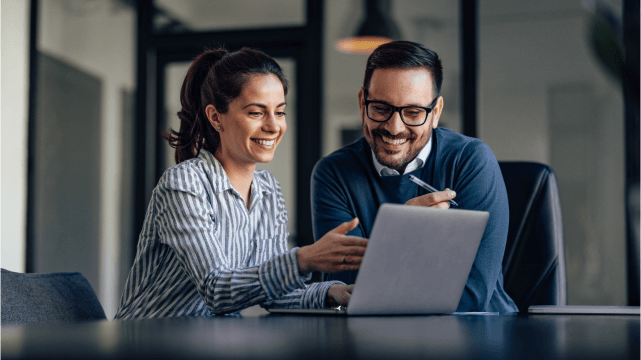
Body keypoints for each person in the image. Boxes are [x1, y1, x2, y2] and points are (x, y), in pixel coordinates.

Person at [115, 48, 367, 320]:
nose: (273, 126)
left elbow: (274, 291)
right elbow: (216, 290)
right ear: (215, 117)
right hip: (147, 341)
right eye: (257, 113)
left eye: (280, 112)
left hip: (212, 341)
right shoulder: (184, 184)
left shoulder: (268, 190)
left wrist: (333, 292)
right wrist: (304, 259)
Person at [311, 41, 518, 313]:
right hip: (376, 340)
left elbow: (472, 293)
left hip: (478, 333)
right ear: (363, 103)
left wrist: (385, 261)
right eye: (381, 108)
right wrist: (401, 233)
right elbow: (350, 291)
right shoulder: (333, 174)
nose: (394, 128)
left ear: (436, 113)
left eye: (413, 113)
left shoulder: (471, 161)